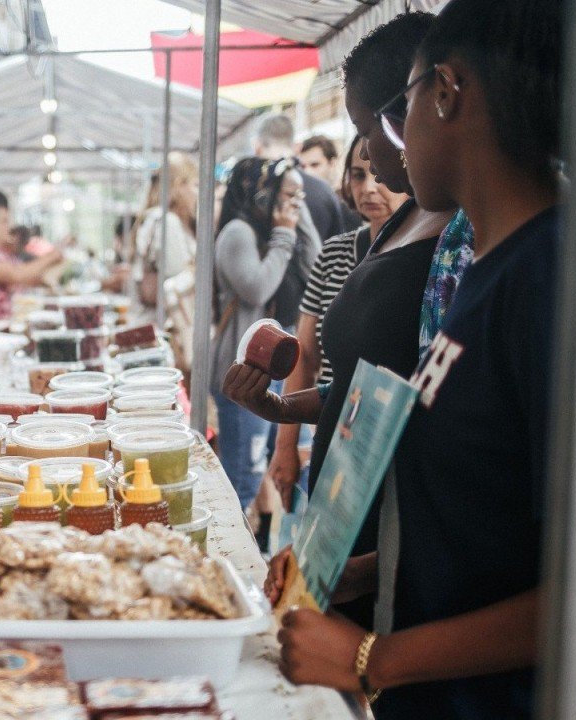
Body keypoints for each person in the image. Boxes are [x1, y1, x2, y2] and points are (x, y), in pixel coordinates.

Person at [271, 1, 561, 716]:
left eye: (396, 110)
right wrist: (356, 576)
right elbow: (478, 520)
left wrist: (376, 657)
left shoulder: (549, 278)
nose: (379, 153)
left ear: (445, 90)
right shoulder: (480, 273)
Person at [225, 11, 460, 629]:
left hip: (406, 547)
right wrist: (283, 412)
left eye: (367, 128)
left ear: (414, 108)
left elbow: (433, 411)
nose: (366, 152)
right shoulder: (396, 229)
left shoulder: (464, 247)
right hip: (345, 525)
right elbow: (372, 388)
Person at [263, 135, 410, 506]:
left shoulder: (423, 257)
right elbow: (305, 357)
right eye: (358, 175)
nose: (369, 188)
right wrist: (285, 446)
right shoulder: (334, 252)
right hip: (327, 434)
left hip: (387, 450)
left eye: (378, 174)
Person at [209, 157, 319, 509]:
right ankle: (229, 555)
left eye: (300, 196)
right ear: (262, 195)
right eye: (288, 195)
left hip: (280, 365)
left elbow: (317, 270)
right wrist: (284, 235)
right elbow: (257, 289)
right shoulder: (239, 233)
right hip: (246, 369)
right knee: (245, 474)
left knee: (287, 460)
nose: (294, 204)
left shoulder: (280, 230)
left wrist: (297, 224)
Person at [0, 193, 63, 320]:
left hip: (5, 328)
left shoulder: (0, 253)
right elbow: (17, 275)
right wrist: (51, 257)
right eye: (4, 221)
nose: (9, 227)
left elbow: (28, 278)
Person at [254, 115, 357, 238]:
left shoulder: (248, 190)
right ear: (296, 148)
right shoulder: (324, 192)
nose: (309, 171)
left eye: (315, 165)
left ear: (257, 147)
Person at [130, 152, 198, 325]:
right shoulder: (168, 222)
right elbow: (177, 282)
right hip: (167, 328)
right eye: (195, 185)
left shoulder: (162, 219)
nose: (198, 193)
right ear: (178, 186)